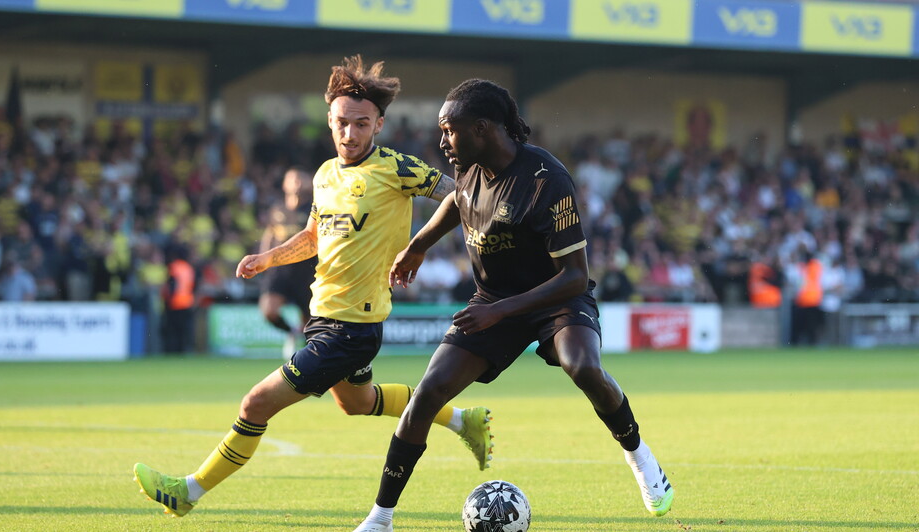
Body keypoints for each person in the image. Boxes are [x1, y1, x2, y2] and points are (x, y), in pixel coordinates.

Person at [133, 56, 493, 518]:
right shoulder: (325, 175)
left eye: (361, 124)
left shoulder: (397, 168)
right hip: (324, 315)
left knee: (255, 403)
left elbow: (461, 195)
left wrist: (421, 245)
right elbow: (314, 236)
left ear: (378, 124)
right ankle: (465, 419)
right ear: (330, 121)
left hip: (352, 327)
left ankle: (188, 491)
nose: (350, 133)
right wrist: (268, 258)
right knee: (358, 403)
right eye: (342, 123)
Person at [355, 79, 674, 532]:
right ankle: (380, 519)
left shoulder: (547, 180)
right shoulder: (468, 166)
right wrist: (419, 244)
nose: (443, 141)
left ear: (483, 129)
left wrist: (500, 312)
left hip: (556, 296)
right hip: (493, 300)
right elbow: (456, 200)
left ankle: (640, 458)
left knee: (583, 367)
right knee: (427, 394)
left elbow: (576, 276)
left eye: (450, 130)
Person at [257, 166, 317, 336]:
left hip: (307, 269)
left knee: (311, 323)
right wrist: (263, 259)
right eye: (293, 178)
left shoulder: (313, 208)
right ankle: (291, 332)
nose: (297, 182)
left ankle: (309, 351)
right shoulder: (277, 209)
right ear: (285, 184)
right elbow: (269, 234)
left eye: (301, 178)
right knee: (268, 310)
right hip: (280, 268)